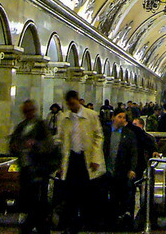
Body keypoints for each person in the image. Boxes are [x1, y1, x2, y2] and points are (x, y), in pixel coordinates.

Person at [56, 90, 105, 233]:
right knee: (70, 194)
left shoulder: (91, 115)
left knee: (88, 194)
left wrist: (96, 158)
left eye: (73, 103)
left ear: (78, 100)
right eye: (69, 104)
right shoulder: (64, 118)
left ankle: (89, 223)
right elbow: (60, 139)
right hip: (71, 159)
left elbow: (98, 136)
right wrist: (60, 164)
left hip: (87, 159)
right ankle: (71, 225)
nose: (71, 106)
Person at [9, 99, 56, 234]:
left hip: (38, 170)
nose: (28, 113)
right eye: (25, 111)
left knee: (38, 200)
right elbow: (13, 143)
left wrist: (35, 145)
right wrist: (14, 146)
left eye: (30, 110)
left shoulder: (41, 126)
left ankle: (34, 226)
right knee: (28, 200)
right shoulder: (21, 127)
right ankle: (34, 225)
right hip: (25, 168)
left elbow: (49, 145)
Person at [102, 108, 139, 228]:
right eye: (120, 117)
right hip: (107, 169)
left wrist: (132, 169)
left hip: (122, 170)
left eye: (124, 118)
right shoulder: (105, 132)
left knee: (121, 195)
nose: (122, 120)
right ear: (113, 117)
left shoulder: (129, 134)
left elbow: (134, 153)